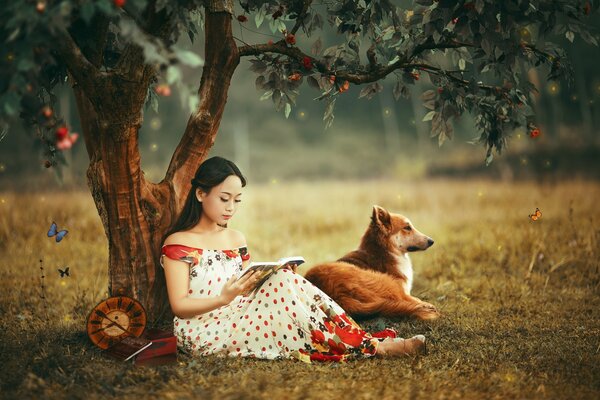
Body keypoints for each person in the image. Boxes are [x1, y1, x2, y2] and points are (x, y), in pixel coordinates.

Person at [160, 156, 426, 362]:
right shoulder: (178, 243)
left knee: (285, 279)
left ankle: (356, 337)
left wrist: (272, 274)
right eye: (224, 199)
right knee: (287, 318)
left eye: (237, 200)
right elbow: (179, 306)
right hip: (202, 329)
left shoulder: (235, 239)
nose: (231, 208)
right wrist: (223, 298)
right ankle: (375, 348)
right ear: (200, 194)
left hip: (239, 312)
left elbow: (247, 286)